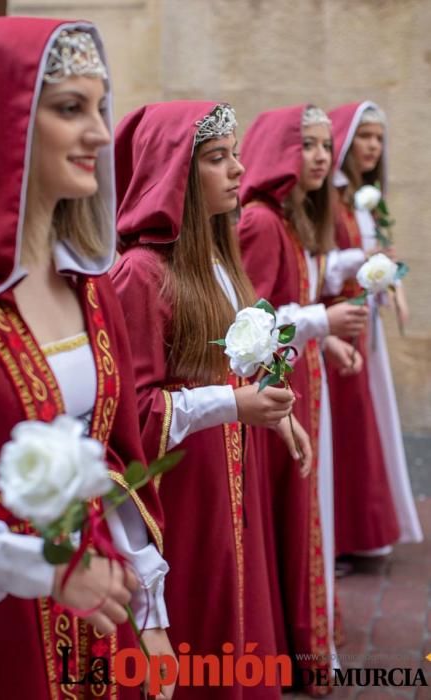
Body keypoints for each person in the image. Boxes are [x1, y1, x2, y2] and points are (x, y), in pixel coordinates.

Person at [0, 17, 172, 700]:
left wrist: (149, 609)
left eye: (100, 108)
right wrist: (35, 567)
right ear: (2, 123)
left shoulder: (90, 288)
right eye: (68, 108)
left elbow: (110, 462)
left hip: (91, 621)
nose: (95, 133)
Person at [110, 100, 301, 699]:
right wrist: (231, 406)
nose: (239, 170)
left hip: (227, 478)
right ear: (177, 175)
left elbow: (235, 362)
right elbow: (130, 414)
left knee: (238, 615)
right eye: (218, 159)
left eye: (236, 155)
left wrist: (271, 406)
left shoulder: (219, 262)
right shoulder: (141, 275)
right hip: (183, 494)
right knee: (202, 621)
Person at [237, 104, 368, 693]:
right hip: (282, 390)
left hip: (307, 378)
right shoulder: (262, 223)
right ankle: (295, 641)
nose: (319, 156)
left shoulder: (292, 222)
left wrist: (327, 338)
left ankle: (307, 637)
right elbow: (253, 320)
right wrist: (322, 320)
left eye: (324, 145)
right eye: (308, 145)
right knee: (294, 510)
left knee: (309, 509)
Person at [327, 101, 423, 558]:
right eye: (364, 136)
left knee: (368, 424)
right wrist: (361, 262)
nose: (372, 146)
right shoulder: (329, 198)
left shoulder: (368, 200)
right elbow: (320, 264)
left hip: (363, 322)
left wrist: (388, 279)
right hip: (337, 322)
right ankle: (343, 534)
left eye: (378, 138)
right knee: (347, 428)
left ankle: (364, 531)